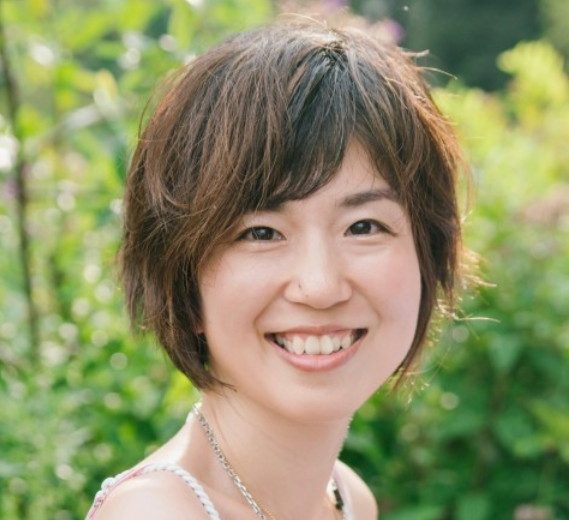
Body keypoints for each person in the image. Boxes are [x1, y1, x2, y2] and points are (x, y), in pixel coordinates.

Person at [87, 17, 464, 520]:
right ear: (181, 278)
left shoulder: (347, 498)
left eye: (363, 226)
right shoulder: (158, 512)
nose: (321, 286)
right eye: (261, 233)